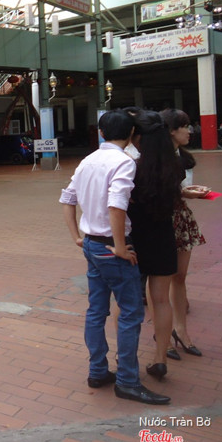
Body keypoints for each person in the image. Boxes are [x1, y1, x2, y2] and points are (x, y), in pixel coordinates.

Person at [60, 109, 169, 405]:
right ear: (132, 134)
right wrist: (120, 246)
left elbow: (67, 199)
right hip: (111, 247)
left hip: (91, 245)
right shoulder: (124, 162)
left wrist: (77, 236)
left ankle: (97, 371)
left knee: (96, 311)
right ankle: (128, 382)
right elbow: (117, 205)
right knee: (131, 313)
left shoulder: (88, 160)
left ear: (101, 132)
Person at [127, 111, 181, 382]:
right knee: (161, 300)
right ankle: (161, 358)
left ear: (139, 138)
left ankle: (125, 357)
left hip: (134, 242)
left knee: (127, 302)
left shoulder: (132, 168)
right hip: (163, 238)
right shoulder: (174, 167)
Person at [160, 108, 208, 360]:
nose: (189, 131)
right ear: (171, 130)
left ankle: (181, 330)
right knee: (159, 280)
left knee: (180, 277)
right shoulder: (153, 156)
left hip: (180, 218)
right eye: (185, 126)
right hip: (160, 220)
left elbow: (180, 188)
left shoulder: (181, 156)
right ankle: (162, 334)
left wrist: (189, 191)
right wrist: (183, 192)